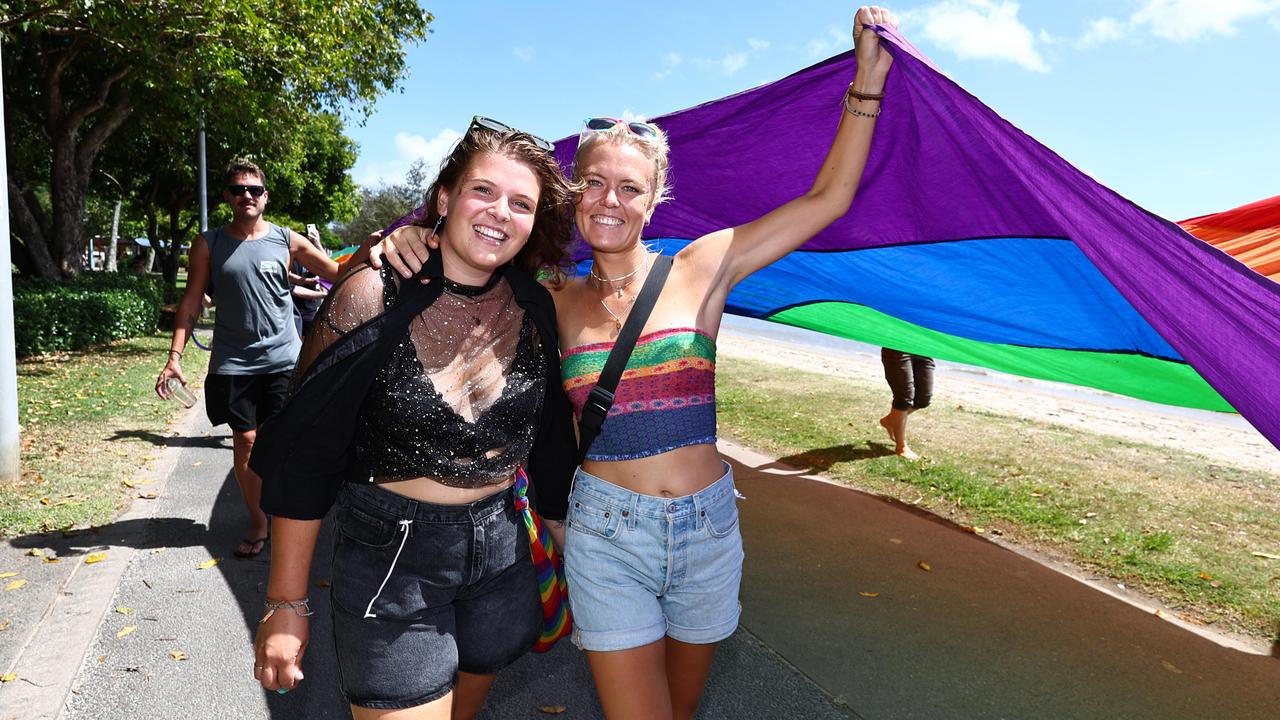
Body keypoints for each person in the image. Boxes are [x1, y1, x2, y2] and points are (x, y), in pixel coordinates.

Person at [381, 8, 898, 719]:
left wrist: (865, 86)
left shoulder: (704, 267)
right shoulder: (549, 299)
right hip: (605, 535)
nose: (610, 201)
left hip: (709, 530)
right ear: (574, 194)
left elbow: (828, 198)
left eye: (630, 187)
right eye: (594, 183)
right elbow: (468, 261)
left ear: (654, 199)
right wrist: (409, 242)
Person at [248, 119, 578, 720]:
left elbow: (552, 445)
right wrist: (286, 602)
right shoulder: (371, 295)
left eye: (521, 202)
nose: (500, 212)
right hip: (391, 564)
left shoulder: (536, 307)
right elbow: (305, 457)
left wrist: (575, 559)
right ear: (446, 199)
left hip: (502, 561)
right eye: (483, 191)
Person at [155, 159, 374, 560]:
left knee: (287, 440)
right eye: (239, 189)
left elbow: (333, 274)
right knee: (247, 441)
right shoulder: (209, 244)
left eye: (255, 190)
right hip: (234, 363)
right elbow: (191, 301)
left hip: (284, 360)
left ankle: (287, 512)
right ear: (227, 197)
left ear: (266, 196)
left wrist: (364, 251)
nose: (247, 196)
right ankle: (258, 521)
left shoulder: (286, 240)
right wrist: (174, 356)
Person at [879, 348, 934, 460]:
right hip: (898, 346)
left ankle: (889, 421)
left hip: (925, 347)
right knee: (904, 398)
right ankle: (901, 447)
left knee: (923, 399)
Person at [289, 224, 329, 338]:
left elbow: (328, 266)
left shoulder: (311, 258)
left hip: (310, 310)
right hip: (292, 309)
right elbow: (291, 287)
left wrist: (318, 243)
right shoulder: (288, 257)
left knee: (311, 343)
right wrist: (309, 283)